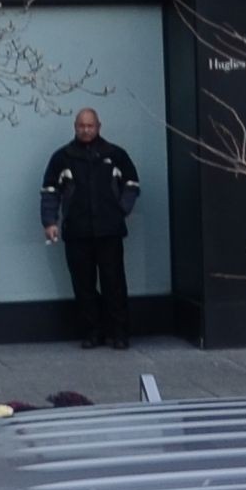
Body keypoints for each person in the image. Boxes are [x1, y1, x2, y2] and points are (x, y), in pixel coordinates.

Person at [39, 108, 144, 351]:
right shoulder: (62, 158)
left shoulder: (116, 155)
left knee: (114, 284)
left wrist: (120, 210)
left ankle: (119, 333)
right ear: (75, 127)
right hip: (77, 232)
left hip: (109, 231)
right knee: (83, 286)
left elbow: (132, 185)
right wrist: (50, 222)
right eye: (81, 126)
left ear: (99, 126)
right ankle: (92, 333)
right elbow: (49, 192)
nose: (85, 130)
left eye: (90, 126)